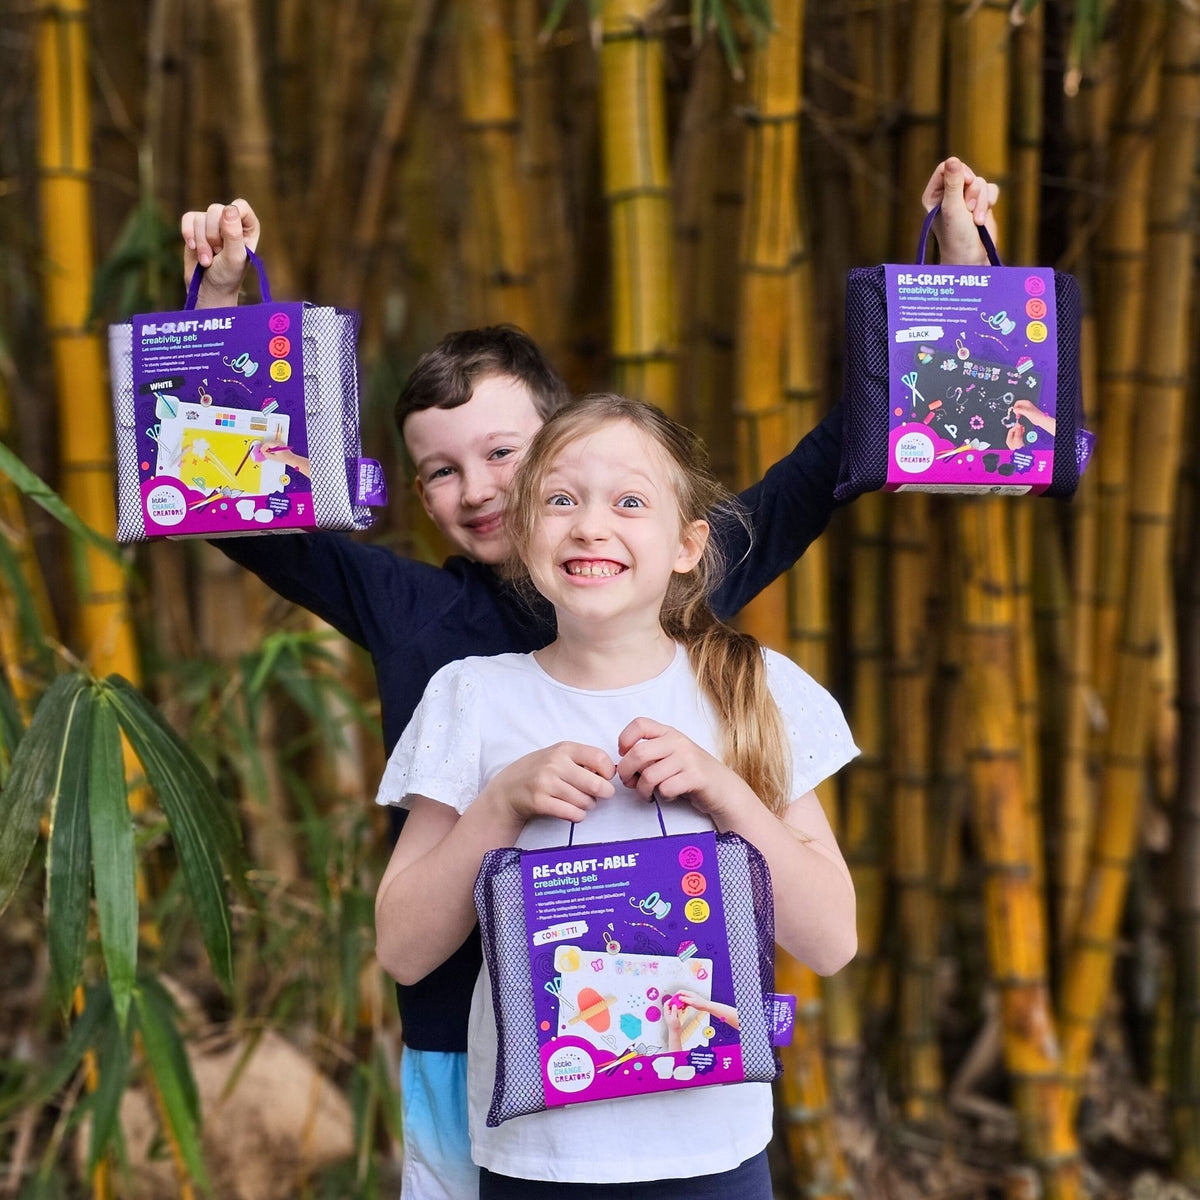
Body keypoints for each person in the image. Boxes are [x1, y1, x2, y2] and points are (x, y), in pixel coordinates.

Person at [181, 157, 998, 1199]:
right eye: (442, 470)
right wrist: (217, 301)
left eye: (508, 456)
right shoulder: (414, 615)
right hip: (465, 1054)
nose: (480, 490)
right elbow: (236, 505)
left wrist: (961, 270)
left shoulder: (664, 587)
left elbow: (834, 458)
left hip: (677, 1071)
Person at [373, 394, 859, 1196]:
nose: (591, 526)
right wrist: (499, 805)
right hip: (535, 1158)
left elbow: (833, 940)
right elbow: (402, 949)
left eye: (629, 502)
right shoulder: (471, 697)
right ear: (525, 534)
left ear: (687, 544)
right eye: (560, 499)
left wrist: (728, 795)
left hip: (714, 1155)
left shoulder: (753, 689)